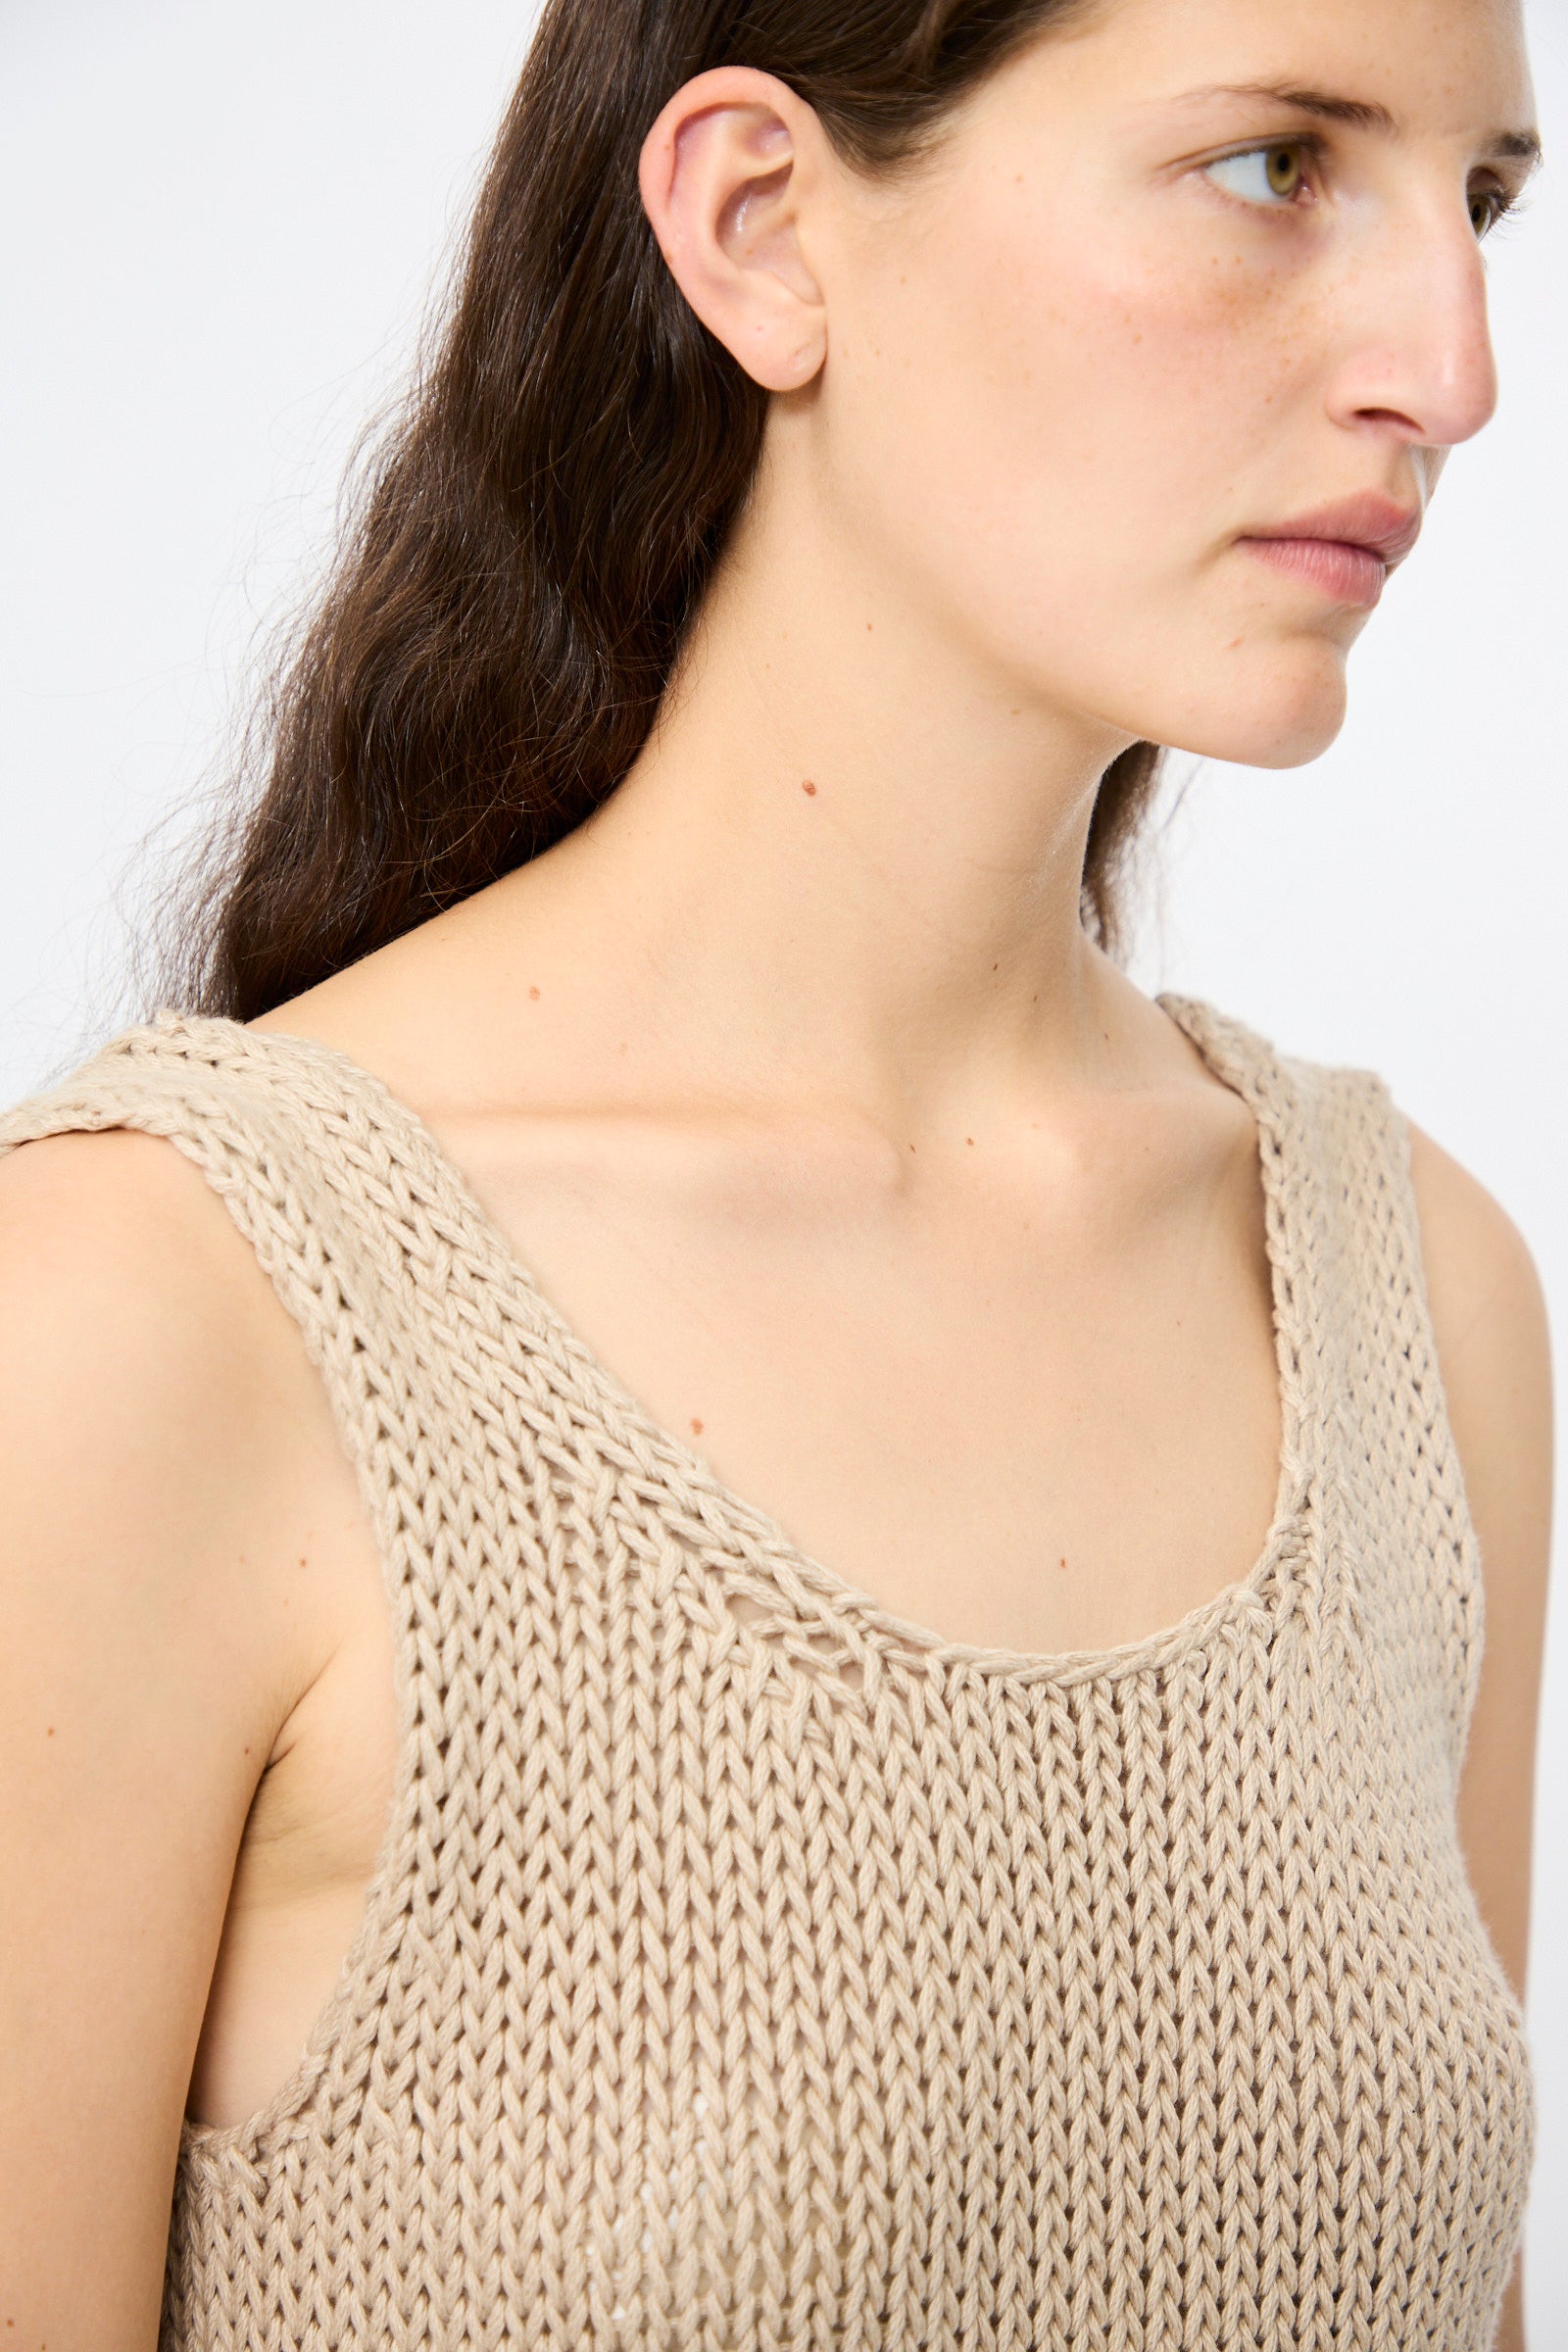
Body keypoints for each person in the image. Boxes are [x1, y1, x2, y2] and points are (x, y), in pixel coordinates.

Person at [0, 0, 1550, 2341]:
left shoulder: (1407, 1299)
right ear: (759, 225)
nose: (1449, 373)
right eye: (1273, 166)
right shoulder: (154, 1317)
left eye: (1480, 205)